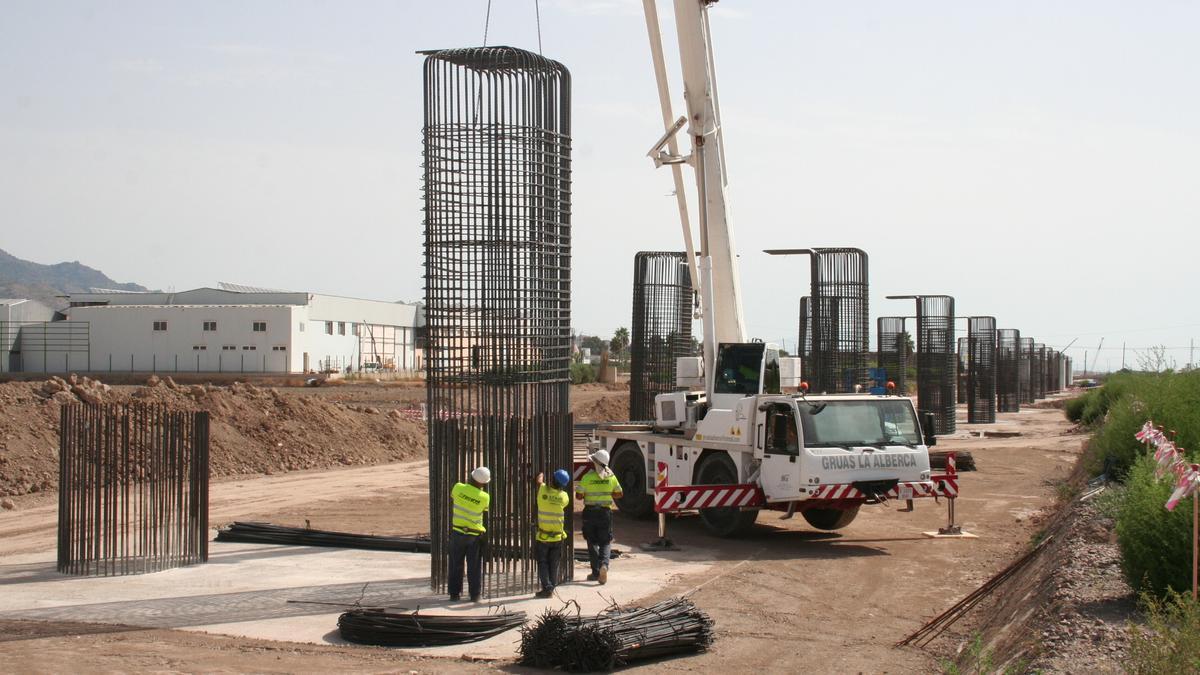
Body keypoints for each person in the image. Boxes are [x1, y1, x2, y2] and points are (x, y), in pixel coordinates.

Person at [576, 450, 623, 584]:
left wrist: (588, 494)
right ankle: (604, 565)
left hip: (590, 513)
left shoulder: (587, 477)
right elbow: (619, 494)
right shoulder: (611, 477)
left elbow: (578, 496)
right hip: (604, 513)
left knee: (592, 542)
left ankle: (596, 572)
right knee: (605, 541)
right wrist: (608, 493)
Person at [448, 466, 491, 602]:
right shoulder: (485, 497)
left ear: (471, 477)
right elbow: (483, 511)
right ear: (484, 483)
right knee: (474, 566)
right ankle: (475, 595)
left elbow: (454, 498)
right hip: (474, 535)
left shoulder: (458, 487)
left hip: (458, 532)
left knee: (456, 564)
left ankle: (454, 594)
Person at [533, 469, 572, 598]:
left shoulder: (542, 490)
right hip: (557, 537)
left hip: (543, 538)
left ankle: (547, 588)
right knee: (554, 564)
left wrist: (541, 473)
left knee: (543, 563)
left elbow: (539, 482)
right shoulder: (564, 497)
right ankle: (551, 588)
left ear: (553, 480)